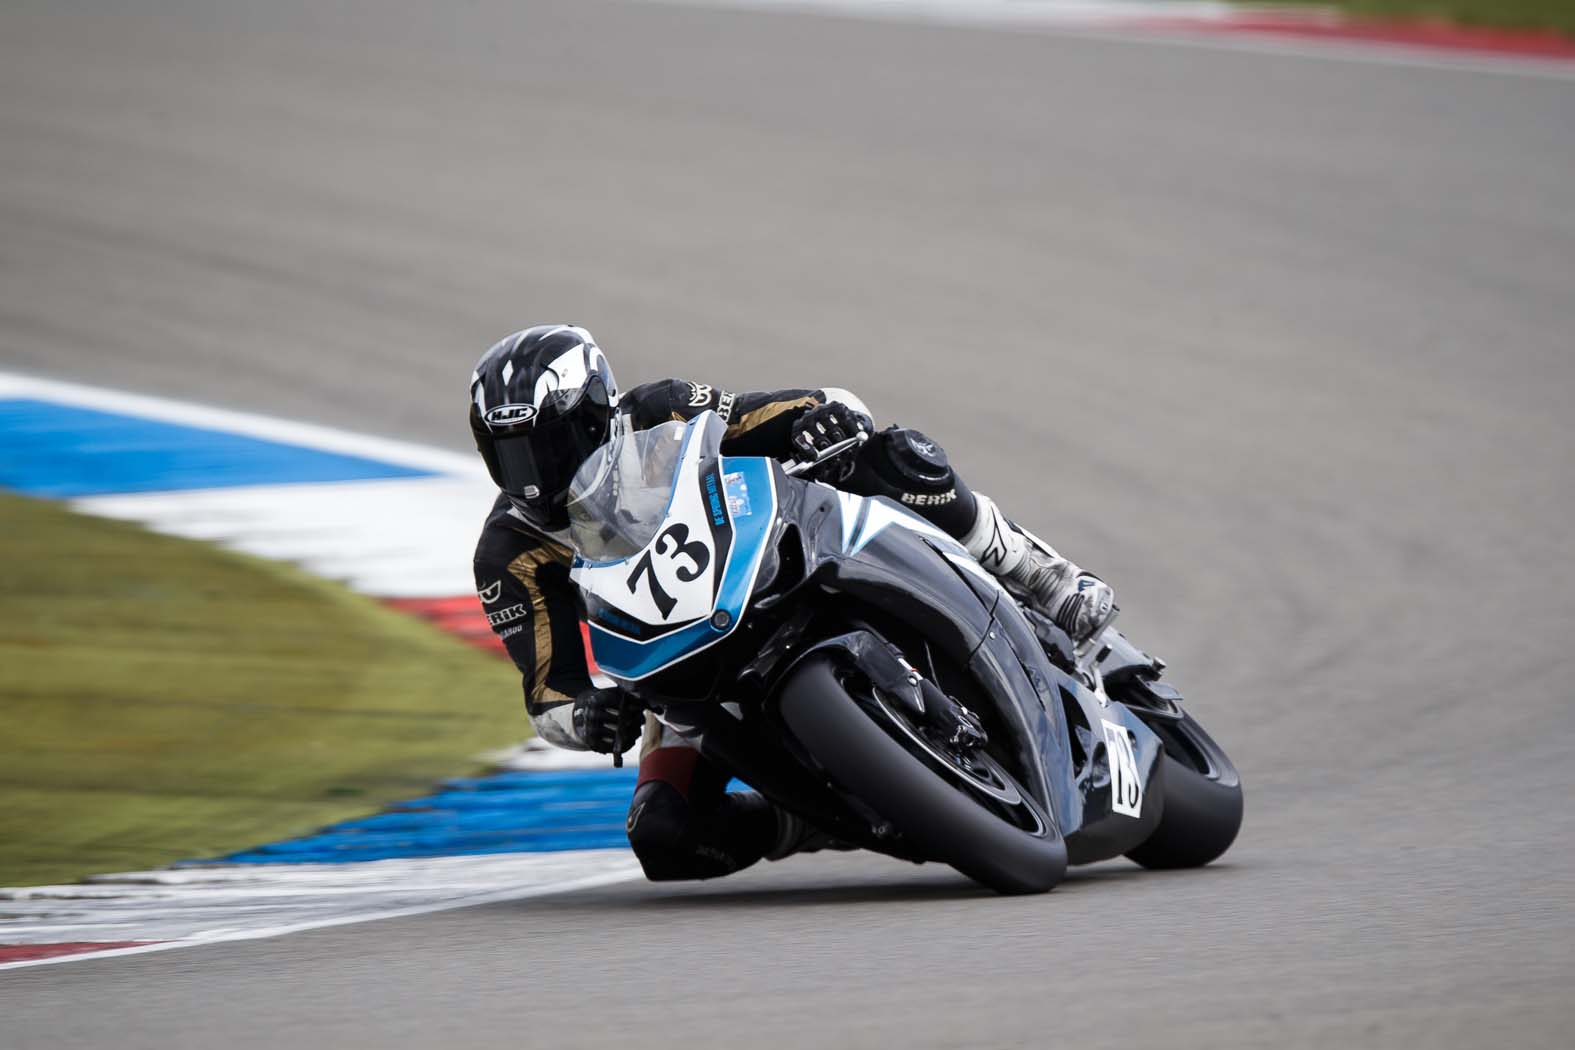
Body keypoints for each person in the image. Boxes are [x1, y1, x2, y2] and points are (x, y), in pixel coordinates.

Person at [470, 324, 1115, 881]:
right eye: (511, 455)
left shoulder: (659, 411)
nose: (535, 473)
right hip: (677, 668)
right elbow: (548, 690)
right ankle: (807, 816)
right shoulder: (509, 553)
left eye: (547, 446)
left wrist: (822, 421)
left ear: (594, 415)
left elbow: (775, 411)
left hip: (761, 560)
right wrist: (588, 719)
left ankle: (1041, 576)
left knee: (895, 455)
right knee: (664, 838)